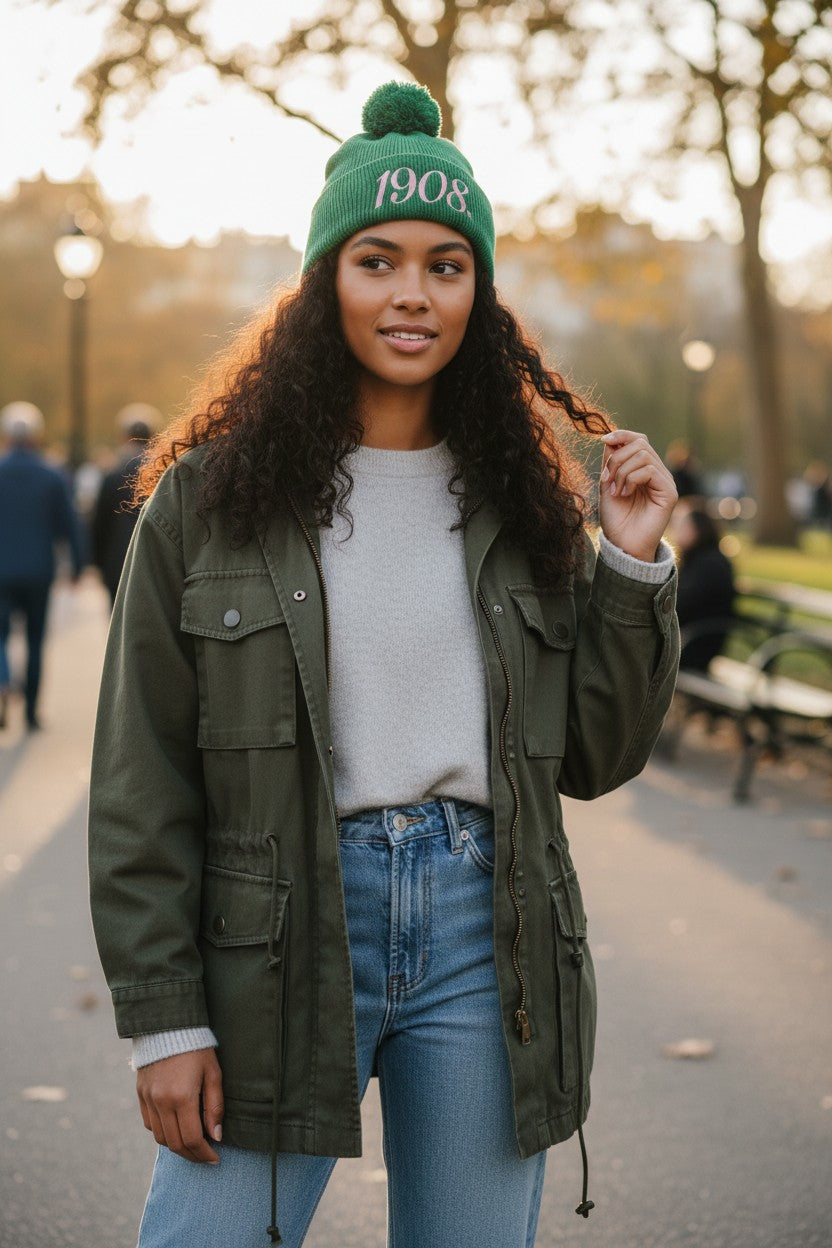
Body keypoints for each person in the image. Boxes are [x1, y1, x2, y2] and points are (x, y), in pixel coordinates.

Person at [88, 82, 680, 1248]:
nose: (413, 292)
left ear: (480, 296)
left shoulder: (524, 503)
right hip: (276, 933)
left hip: (487, 933)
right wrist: (164, 1022)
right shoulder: (209, 502)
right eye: (377, 259)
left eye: (447, 267)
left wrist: (630, 562)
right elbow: (139, 775)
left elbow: (598, 759)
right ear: (326, 284)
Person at [0, 401, 85, 730]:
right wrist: (78, 565)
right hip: (38, 570)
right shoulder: (51, 474)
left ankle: (3, 680)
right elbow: (70, 524)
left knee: (1, 634)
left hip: (2, 571)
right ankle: (32, 712)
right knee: (35, 640)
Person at [90, 405, 158, 607]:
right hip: (153, 564)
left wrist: (98, 563)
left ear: (124, 436)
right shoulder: (162, 472)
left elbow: (100, 522)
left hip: (117, 561)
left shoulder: (112, 474)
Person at [671, 503, 736, 670]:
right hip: (687, 639)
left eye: (681, 525)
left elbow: (683, 605)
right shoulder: (697, 559)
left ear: (698, 529)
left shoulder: (711, 563)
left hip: (697, 644)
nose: (675, 531)